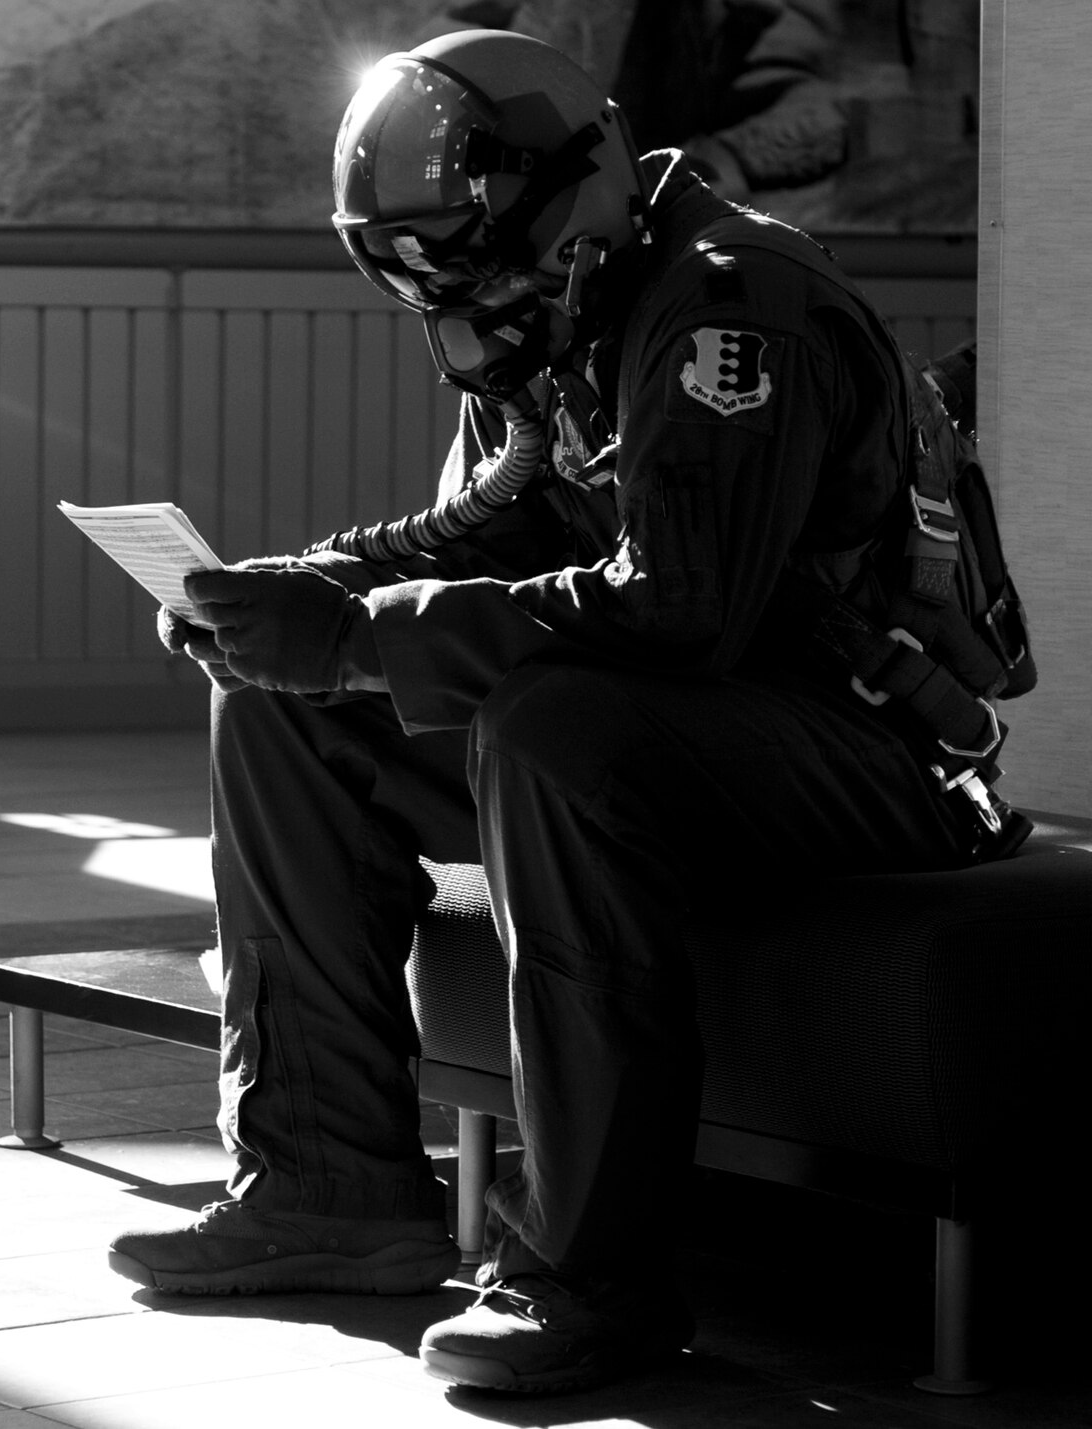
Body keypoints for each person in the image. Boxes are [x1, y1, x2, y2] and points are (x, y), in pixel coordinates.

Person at [105, 28, 989, 1396]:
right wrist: (299, 594)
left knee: (553, 727)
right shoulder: (561, 310)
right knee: (286, 714)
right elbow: (490, 535)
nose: (446, 297)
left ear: (564, 188)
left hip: (875, 750)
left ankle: (592, 1279)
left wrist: (354, 633)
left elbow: (683, 610)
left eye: (457, 255)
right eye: (410, 266)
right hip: (698, 740)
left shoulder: (728, 302)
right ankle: (329, 1189)